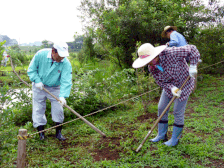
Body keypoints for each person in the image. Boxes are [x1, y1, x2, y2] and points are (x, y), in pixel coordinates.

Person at [132, 43, 200, 146]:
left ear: (155, 56)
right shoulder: (152, 67)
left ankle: (175, 140)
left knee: (177, 111)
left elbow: (192, 49)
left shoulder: (171, 53)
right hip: (170, 87)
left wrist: (193, 66)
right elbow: (161, 82)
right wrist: (172, 88)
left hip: (184, 84)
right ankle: (161, 135)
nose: (148, 64)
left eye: (149, 60)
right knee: (161, 107)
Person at [27, 42, 72, 141]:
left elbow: (66, 80)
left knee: (58, 108)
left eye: (64, 56)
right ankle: (41, 134)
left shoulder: (65, 63)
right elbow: (31, 70)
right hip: (39, 86)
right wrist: (37, 81)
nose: (62, 58)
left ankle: (58, 133)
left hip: (55, 87)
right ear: (53, 51)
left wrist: (63, 96)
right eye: (60, 55)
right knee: (38, 108)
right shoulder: (40, 55)